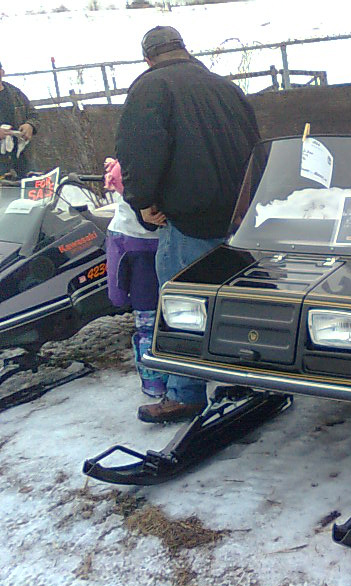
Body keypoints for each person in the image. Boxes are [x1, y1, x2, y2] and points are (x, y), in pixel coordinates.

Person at [115, 25, 260, 423]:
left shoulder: (150, 88)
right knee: (233, 305)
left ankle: (185, 393)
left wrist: (141, 202)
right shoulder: (225, 87)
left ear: (148, 58)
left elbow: (139, 150)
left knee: (181, 309)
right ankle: (244, 379)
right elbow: (255, 146)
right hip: (239, 220)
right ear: (183, 49)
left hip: (189, 222)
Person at [103, 157, 168, 399]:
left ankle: (163, 378)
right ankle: (154, 380)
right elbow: (116, 286)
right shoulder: (122, 228)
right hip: (140, 253)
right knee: (150, 325)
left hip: (157, 249)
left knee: (158, 325)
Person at [0, 61, 39, 178]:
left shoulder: (16, 94)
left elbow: (34, 115)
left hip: (22, 158)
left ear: (2, 72)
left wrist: (30, 126)